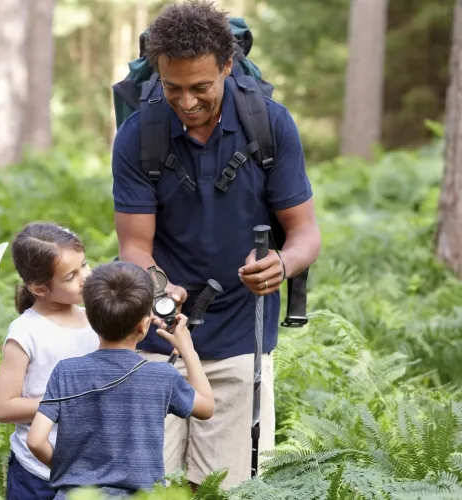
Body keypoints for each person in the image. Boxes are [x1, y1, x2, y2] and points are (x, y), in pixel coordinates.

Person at [111, 0, 321, 489]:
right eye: (173, 87)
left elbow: (306, 232)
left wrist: (282, 265)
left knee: (226, 489)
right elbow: (134, 248)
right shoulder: (139, 133)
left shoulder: (269, 124)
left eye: (201, 87)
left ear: (227, 66)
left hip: (240, 338)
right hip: (156, 339)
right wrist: (161, 287)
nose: (186, 101)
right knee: (148, 487)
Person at [26, 261, 214, 499]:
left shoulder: (66, 371)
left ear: (92, 321)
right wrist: (188, 350)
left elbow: (35, 440)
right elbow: (206, 407)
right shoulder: (161, 376)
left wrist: (71, 474)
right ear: (144, 326)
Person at [0, 222, 100, 500]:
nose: (85, 278)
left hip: (91, 470)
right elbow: (5, 408)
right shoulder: (26, 332)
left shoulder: (95, 320)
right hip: (36, 476)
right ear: (39, 289)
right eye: (70, 276)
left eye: (85, 265)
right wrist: (69, 402)